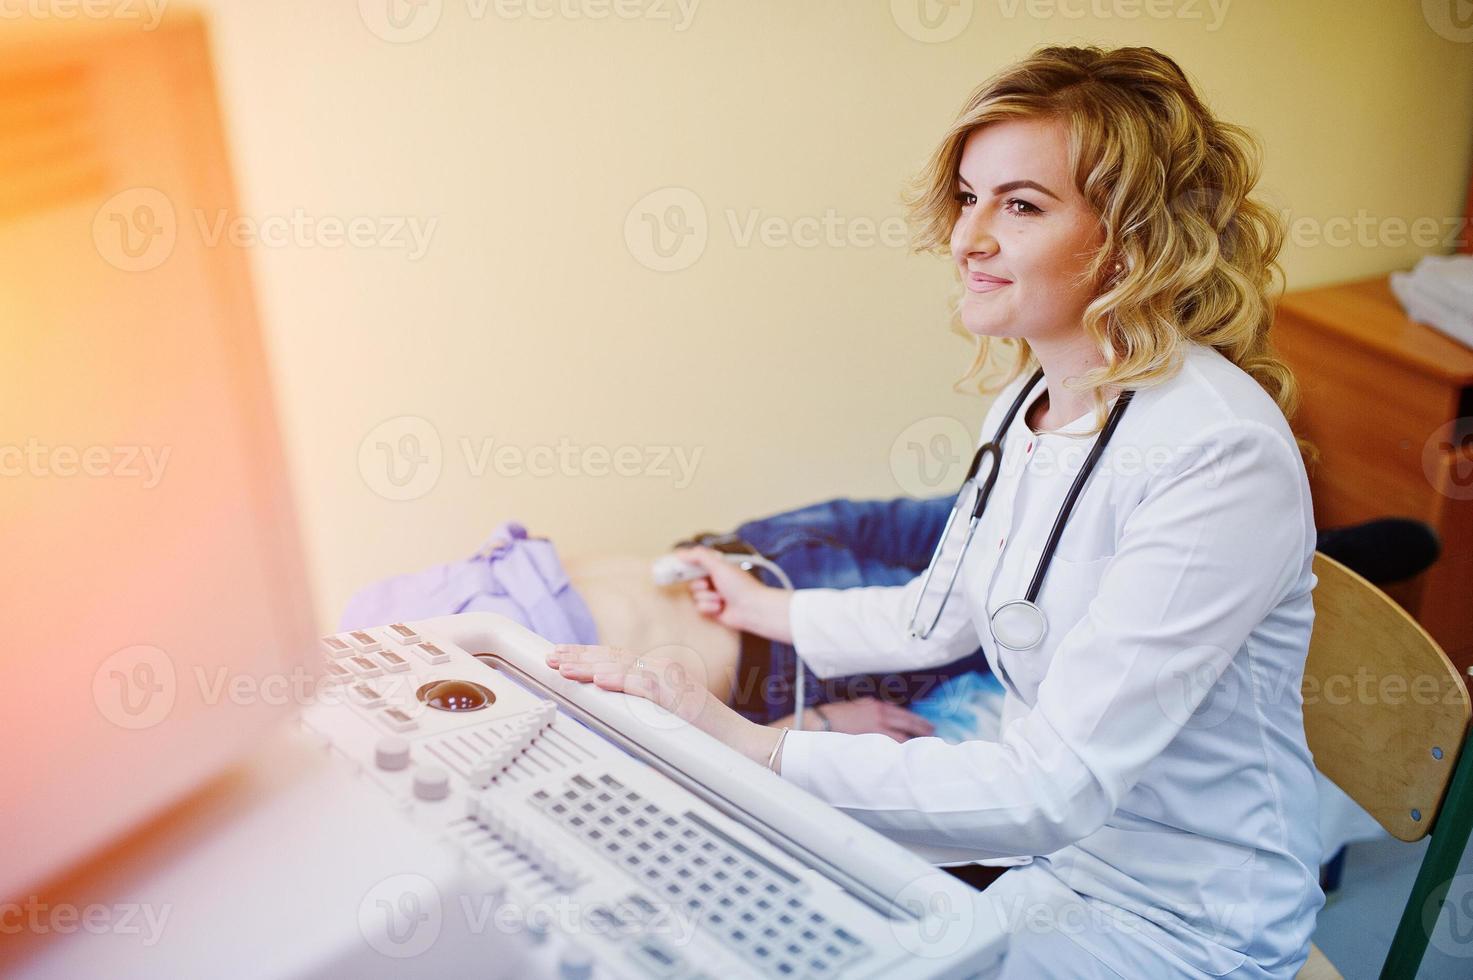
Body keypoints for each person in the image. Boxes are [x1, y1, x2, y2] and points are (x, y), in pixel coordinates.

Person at [551, 45, 1325, 977]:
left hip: (1184, 923)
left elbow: (1053, 784)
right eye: (967, 197)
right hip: (1052, 871)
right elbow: (943, 612)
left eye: (1021, 205)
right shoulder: (1030, 403)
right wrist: (757, 606)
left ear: (1132, 239)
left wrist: (755, 748)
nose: (967, 238)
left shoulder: (1215, 450)